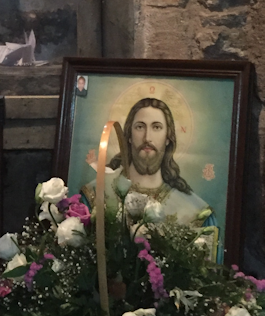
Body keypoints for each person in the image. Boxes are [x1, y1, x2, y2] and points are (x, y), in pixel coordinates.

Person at [81, 97, 218, 246]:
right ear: (129, 136)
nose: (147, 137)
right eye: (140, 127)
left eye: (157, 127)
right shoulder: (95, 194)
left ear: (168, 138)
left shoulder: (194, 210)